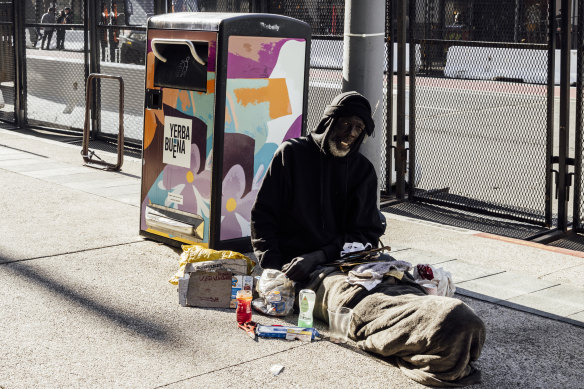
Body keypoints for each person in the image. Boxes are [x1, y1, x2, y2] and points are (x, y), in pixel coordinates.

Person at [251, 91, 485, 386]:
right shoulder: (292, 154)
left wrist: (322, 254)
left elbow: (367, 234)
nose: (350, 134)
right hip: (310, 274)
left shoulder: (362, 171)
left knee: (398, 286)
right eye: (345, 124)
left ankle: (436, 323)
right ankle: (439, 328)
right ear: (329, 121)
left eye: (358, 129)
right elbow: (264, 217)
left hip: (354, 261)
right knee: (358, 301)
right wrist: (275, 271)